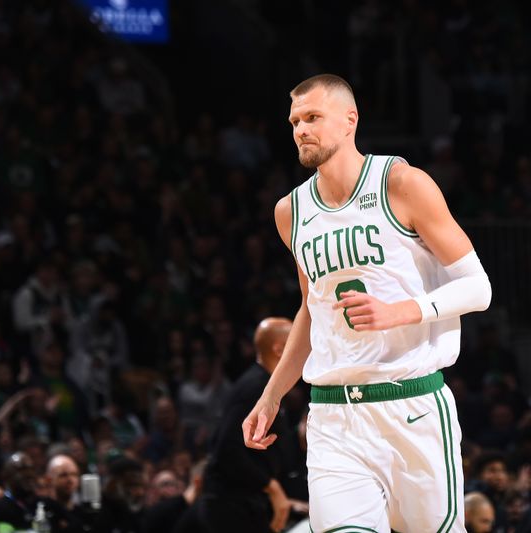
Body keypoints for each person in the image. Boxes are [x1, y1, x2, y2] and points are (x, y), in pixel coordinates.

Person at [242, 74, 492, 532]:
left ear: (349, 120)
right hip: (334, 417)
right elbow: (309, 309)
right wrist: (272, 394)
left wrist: (401, 311)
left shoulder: (402, 183)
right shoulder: (290, 212)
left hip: (412, 407)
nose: (301, 129)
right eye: (295, 121)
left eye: (313, 117)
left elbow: (479, 289)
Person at [201, 317, 296, 533]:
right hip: (231, 504)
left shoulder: (265, 384)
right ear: (280, 349)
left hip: (245, 501)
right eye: (296, 340)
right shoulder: (255, 387)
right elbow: (226, 447)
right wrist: (272, 488)